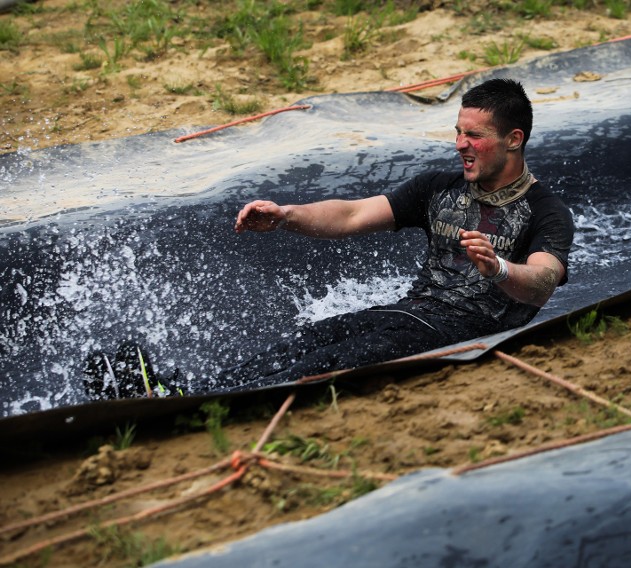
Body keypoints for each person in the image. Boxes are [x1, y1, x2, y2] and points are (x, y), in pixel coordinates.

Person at [84, 78, 574, 398]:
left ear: (514, 139)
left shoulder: (546, 211)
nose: (460, 145)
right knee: (303, 343)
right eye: (458, 132)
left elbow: (544, 280)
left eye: (475, 136)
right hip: (407, 313)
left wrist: (498, 268)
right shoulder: (437, 188)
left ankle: (189, 405)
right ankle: (176, 393)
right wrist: (285, 215)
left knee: (335, 364)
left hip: (462, 334)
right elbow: (354, 214)